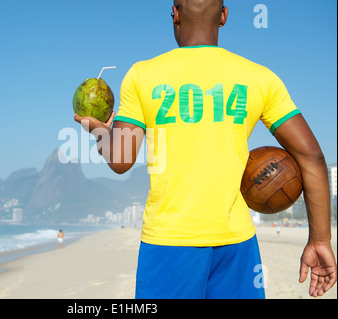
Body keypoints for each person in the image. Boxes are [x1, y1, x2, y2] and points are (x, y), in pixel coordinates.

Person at [74, 0, 336, 299]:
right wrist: (320, 240)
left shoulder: (141, 75)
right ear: (223, 15)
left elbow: (120, 161)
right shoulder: (260, 77)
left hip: (168, 241)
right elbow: (311, 156)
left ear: (175, 13)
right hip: (237, 242)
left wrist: (99, 130)